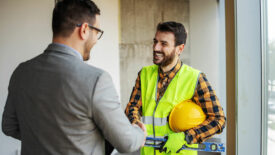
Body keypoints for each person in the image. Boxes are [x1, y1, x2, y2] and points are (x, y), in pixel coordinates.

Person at [2, 0, 146, 155]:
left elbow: (9, 127)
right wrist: (139, 132)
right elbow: (128, 143)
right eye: (97, 32)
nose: (96, 39)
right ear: (84, 29)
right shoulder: (97, 80)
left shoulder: (21, 72)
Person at [125, 21, 226, 155]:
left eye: (163, 44)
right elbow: (133, 106)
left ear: (180, 48)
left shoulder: (195, 78)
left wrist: (186, 137)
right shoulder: (144, 74)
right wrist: (135, 123)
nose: (156, 48)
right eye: (155, 42)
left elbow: (218, 119)